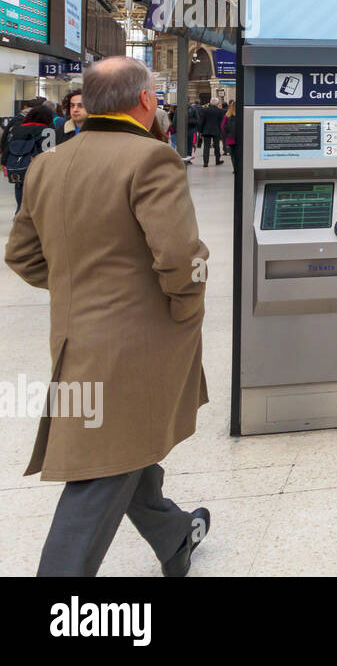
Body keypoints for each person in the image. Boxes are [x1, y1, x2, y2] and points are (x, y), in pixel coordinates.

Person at [4, 56, 211, 577]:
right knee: (99, 477)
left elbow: (23, 256)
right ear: (146, 101)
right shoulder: (151, 160)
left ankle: (173, 536)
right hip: (135, 350)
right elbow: (180, 259)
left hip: (75, 343)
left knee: (123, 448)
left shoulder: (48, 164)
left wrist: (83, 289)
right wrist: (186, 310)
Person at [2, 102, 55, 209]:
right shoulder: (48, 131)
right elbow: (50, 155)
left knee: (21, 207)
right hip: (39, 175)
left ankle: (19, 223)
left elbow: (8, 148)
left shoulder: (17, 129)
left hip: (20, 172)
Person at [197, 92, 225, 167]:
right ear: (217, 103)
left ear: (210, 103)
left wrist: (200, 130)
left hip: (206, 130)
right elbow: (221, 122)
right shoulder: (220, 111)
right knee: (217, 146)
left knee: (206, 146)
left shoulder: (204, 110)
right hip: (216, 130)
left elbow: (201, 121)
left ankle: (205, 162)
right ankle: (217, 160)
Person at [222, 99, 240, 175]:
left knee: (233, 154)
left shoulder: (227, 115)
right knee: (240, 154)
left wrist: (227, 133)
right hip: (240, 138)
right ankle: (240, 167)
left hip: (231, 139)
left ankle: (235, 168)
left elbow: (222, 126)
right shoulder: (241, 114)